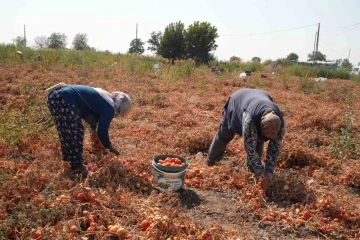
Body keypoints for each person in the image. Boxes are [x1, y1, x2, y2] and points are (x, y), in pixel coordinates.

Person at [46, 83, 132, 178]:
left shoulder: (102, 97)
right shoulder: (110, 107)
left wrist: (95, 137)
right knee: (76, 133)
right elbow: (102, 131)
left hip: (54, 97)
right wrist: (108, 146)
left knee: (65, 131)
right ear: (121, 106)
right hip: (67, 99)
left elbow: (91, 120)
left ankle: (69, 159)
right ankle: (77, 168)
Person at [207, 88, 285, 182]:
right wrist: (261, 172)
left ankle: (250, 170)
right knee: (225, 135)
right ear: (260, 126)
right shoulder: (250, 120)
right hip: (237, 102)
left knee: (258, 142)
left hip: (258, 98)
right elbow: (250, 149)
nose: (266, 139)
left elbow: (274, 149)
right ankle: (212, 160)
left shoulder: (280, 126)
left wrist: (269, 172)